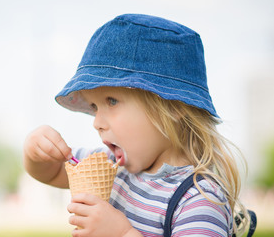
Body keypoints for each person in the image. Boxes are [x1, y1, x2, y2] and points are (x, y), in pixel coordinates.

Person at [24, 14, 250, 236]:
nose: (96, 122)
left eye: (111, 101)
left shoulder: (198, 200)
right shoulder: (110, 166)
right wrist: (36, 153)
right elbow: (52, 172)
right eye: (94, 106)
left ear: (173, 107)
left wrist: (122, 233)